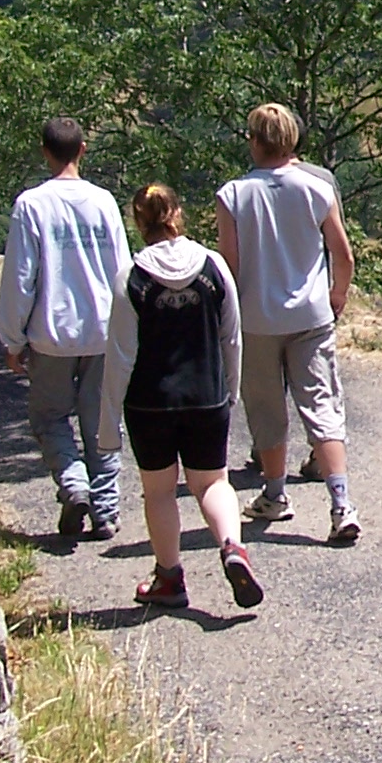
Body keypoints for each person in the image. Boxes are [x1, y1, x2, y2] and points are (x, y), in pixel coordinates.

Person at [100, 185, 263, 609]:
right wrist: (231, 389)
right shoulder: (213, 267)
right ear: (177, 213)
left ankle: (169, 578)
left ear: (139, 222)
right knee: (212, 482)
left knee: (159, 492)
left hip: (148, 401)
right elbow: (232, 336)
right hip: (206, 394)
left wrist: (107, 425)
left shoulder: (130, 277)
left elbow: (120, 355)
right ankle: (232, 546)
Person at [216, 102, 362, 544]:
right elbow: (343, 254)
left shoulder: (234, 195)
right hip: (311, 316)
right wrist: (336, 294)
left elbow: (230, 267)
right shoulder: (316, 188)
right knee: (322, 406)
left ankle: (275, 494)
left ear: (256, 141)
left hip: (257, 318)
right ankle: (341, 503)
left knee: (266, 410)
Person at [0, 116, 131, 540]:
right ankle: (106, 511)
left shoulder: (31, 205)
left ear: (45, 151)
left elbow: (21, 277)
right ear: (83, 149)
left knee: (50, 417)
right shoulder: (104, 201)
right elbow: (122, 269)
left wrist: (12, 338)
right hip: (103, 329)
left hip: (51, 333)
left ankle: (74, 485)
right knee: (102, 421)